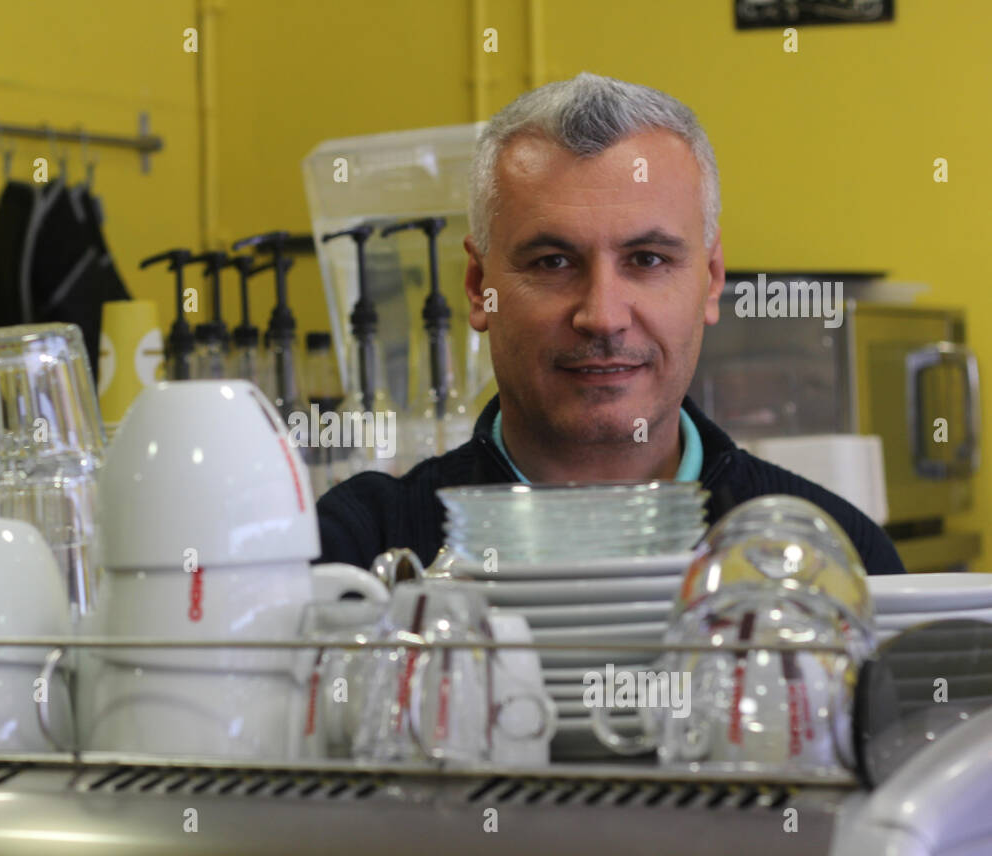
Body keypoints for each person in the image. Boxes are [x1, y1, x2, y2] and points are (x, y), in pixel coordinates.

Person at [316, 72, 904, 575]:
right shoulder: (355, 550)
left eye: (647, 260)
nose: (601, 316)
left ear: (712, 278)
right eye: (552, 262)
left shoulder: (835, 558)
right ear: (478, 287)